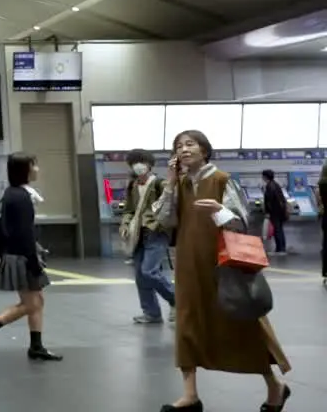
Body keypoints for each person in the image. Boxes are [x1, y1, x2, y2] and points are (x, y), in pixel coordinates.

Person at [152, 130, 290, 412]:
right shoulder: (177, 184)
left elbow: (241, 222)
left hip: (222, 264)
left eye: (190, 144)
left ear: (205, 150)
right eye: (178, 146)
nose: (184, 149)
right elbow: (164, 219)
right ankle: (190, 395)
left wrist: (219, 210)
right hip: (189, 263)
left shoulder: (221, 180)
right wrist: (169, 182)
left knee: (242, 323)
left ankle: (275, 385)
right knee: (187, 323)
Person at [0, 153, 62, 362]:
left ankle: (36, 346)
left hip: (18, 254)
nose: (37, 169)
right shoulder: (20, 197)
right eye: (34, 165)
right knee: (31, 303)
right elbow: (23, 233)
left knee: (37, 300)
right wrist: (33, 261)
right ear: (25, 169)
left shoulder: (13, 193)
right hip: (22, 257)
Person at [120, 149, 175, 325]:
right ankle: (151, 313)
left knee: (149, 271)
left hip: (156, 232)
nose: (138, 166)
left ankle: (177, 300)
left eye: (142, 162)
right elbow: (129, 209)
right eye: (134, 162)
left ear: (150, 164)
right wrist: (125, 224)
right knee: (140, 275)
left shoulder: (160, 183)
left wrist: (158, 224)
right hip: (138, 234)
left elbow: (168, 206)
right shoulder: (132, 186)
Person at [261, 169, 290, 256]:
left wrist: (267, 212)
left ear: (265, 177)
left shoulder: (270, 186)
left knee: (277, 230)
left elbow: (269, 201)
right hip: (280, 211)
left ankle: (280, 249)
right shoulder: (275, 184)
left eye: (263, 176)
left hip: (275, 212)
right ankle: (281, 248)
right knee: (279, 229)